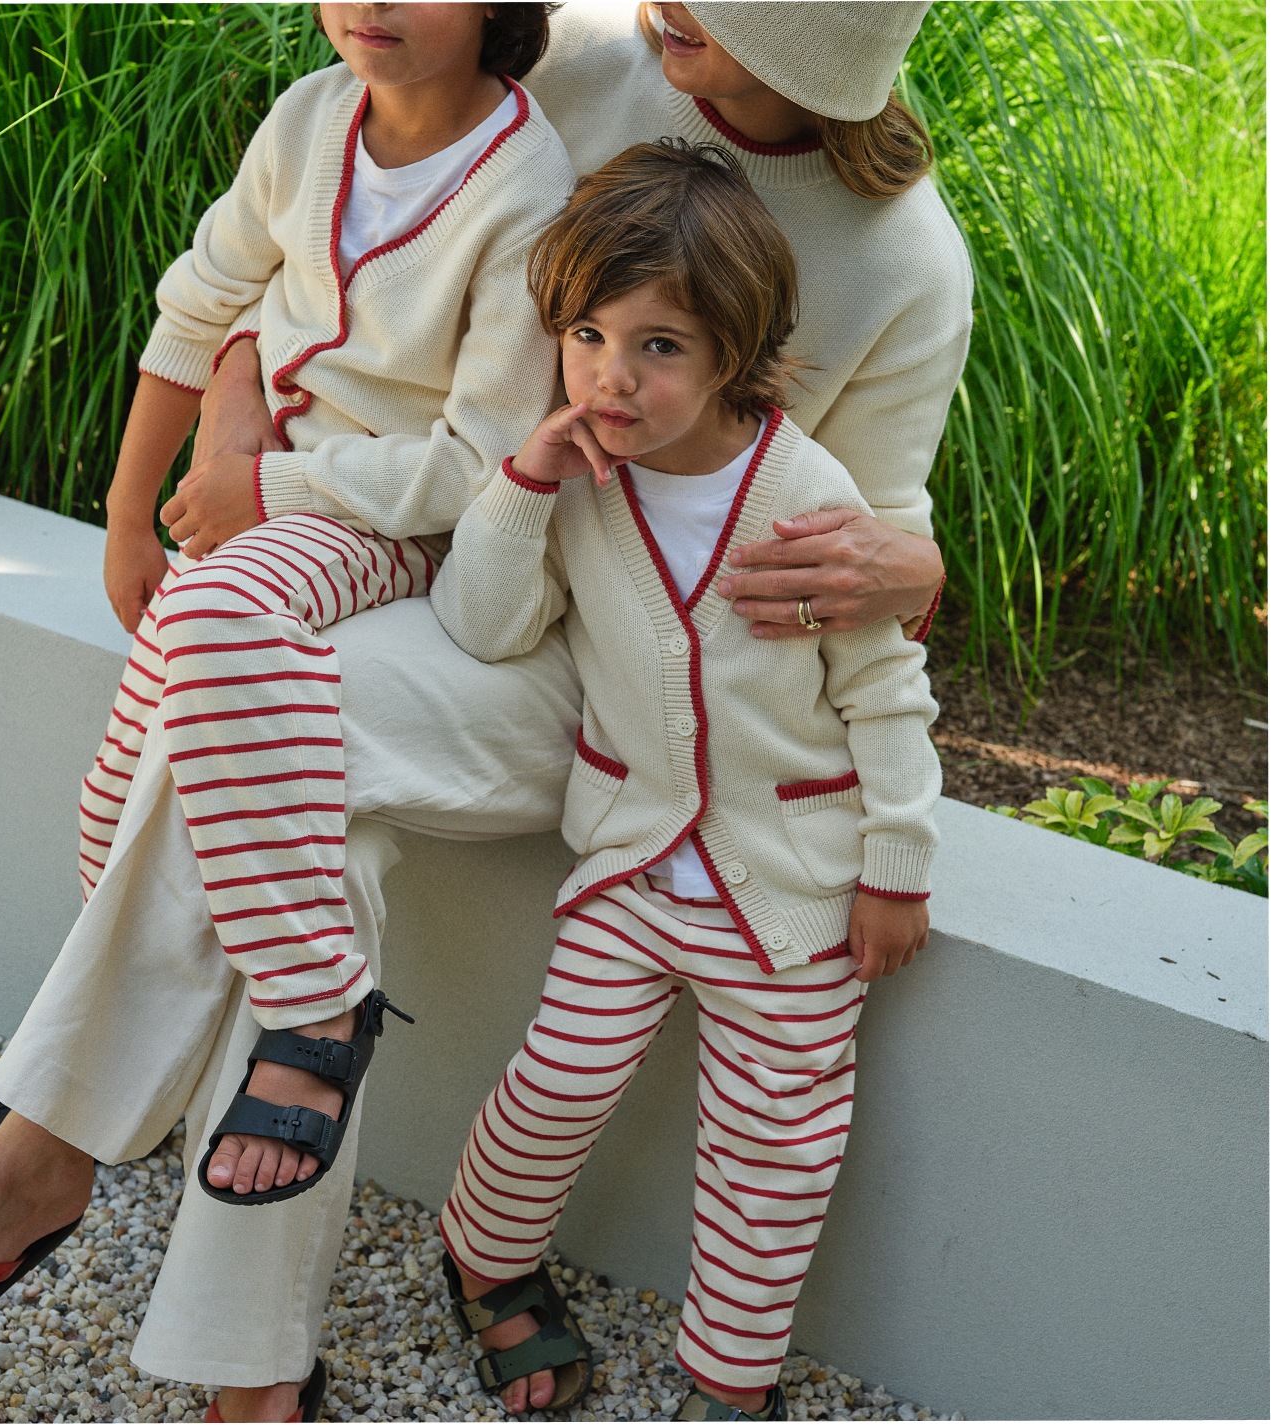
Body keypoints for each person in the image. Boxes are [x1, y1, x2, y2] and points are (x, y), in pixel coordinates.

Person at [0, 2, 969, 1420]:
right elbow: (311, 229)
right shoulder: (581, 59)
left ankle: (47, 1143)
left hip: (610, 683)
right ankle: (249, 1361)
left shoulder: (905, 262)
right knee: (261, 739)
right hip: (466, 575)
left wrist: (915, 572)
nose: (663, 3)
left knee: (247, 732)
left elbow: (873, 544)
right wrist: (238, 409)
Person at [0, 1, 570, 1415]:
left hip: (380, 526)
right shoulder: (310, 118)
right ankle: (182, 1269)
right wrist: (133, 509)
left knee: (217, 613)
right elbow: (204, 302)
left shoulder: (528, 190)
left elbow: (476, 457)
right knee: (129, 798)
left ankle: (295, 1024)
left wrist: (265, 491)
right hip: (258, 509)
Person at [430, 140, 940, 1423]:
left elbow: (883, 692)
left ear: (733, 353)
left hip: (794, 885)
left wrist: (896, 866)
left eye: (659, 346)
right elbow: (486, 625)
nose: (612, 376)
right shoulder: (579, 481)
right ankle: (483, 1254)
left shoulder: (806, 495)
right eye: (588, 334)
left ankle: (730, 1380)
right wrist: (522, 484)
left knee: (779, 1142)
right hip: (630, 861)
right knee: (558, 1079)